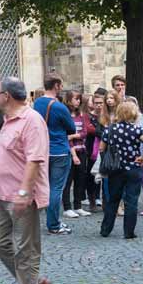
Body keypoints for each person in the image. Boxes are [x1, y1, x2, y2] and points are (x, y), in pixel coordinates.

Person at [0, 77, 51, 284]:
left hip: (20, 196)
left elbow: (34, 160)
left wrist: (25, 193)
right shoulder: (8, 120)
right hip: (1, 194)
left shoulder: (31, 120)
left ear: (7, 96)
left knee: (27, 250)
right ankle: (32, 283)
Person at [99, 101, 143, 239]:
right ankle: (129, 232)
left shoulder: (110, 129)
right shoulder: (136, 129)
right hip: (133, 168)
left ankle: (105, 229)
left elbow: (101, 148)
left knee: (113, 199)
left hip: (115, 168)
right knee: (132, 200)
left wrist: (108, 158)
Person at [32, 75, 76, 235]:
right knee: (56, 188)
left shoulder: (36, 103)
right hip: (59, 150)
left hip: (42, 150)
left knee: (42, 186)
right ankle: (54, 224)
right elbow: (72, 128)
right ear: (56, 86)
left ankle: (39, 221)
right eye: (61, 85)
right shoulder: (59, 107)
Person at [62, 91, 91, 219]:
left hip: (82, 150)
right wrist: (73, 153)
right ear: (68, 100)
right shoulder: (65, 115)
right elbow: (64, 136)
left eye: (79, 99)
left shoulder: (82, 115)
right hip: (69, 151)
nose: (78, 101)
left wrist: (73, 136)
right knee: (68, 180)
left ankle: (78, 206)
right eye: (75, 99)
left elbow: (85, 132)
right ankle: (67, 207)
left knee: (80, 179)